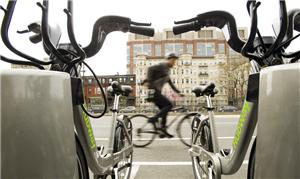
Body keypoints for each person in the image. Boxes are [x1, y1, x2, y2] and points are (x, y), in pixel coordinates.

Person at [142, 53, 184, 138]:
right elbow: (150, 68)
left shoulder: (167, 71)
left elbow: (171, 84)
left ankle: (162, 129)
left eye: (175, 61)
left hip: (156, 92)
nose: (174, 63)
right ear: (168, 60)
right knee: (169, 105)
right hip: (154, 91)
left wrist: (179, 92)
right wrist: (150, 82)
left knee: (164, 111)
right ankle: (154, 119)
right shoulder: (163, 66)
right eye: (173, 60)